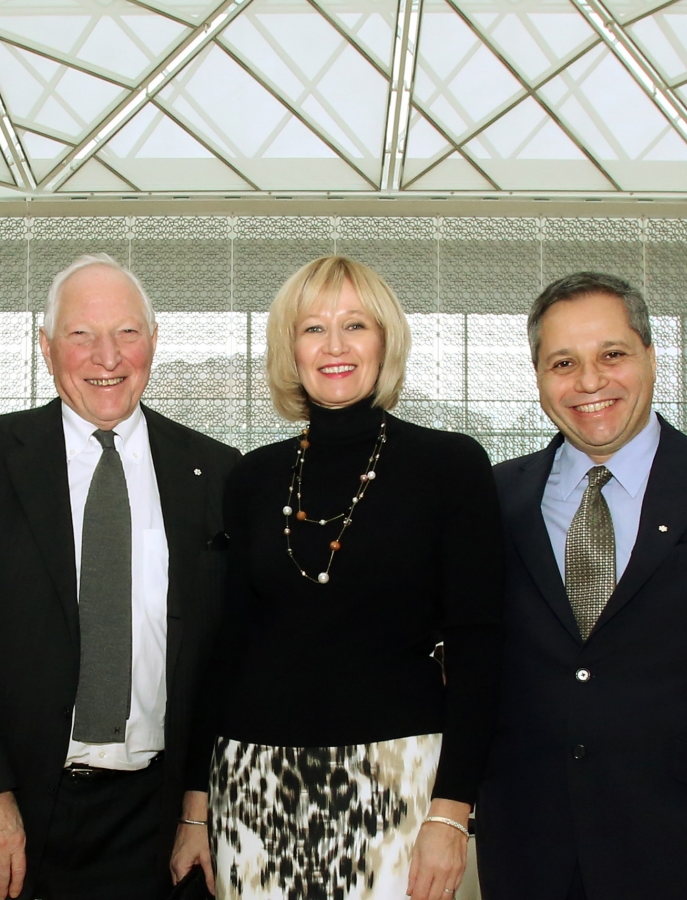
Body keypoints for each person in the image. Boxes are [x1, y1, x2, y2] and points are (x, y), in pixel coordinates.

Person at [0, 254, 240, 900]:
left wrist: (197, 808)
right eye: (81, 335)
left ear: (153, 342)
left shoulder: (215, 473)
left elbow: (224, 663)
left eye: (127, 333)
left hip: (143, 830)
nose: (107, 356)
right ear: (46, 348)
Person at [475, 271, 687, 899]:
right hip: (537, 861)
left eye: (612, 354)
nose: (589, 381)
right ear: (538, 378)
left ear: (651, 357)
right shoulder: (492, 500)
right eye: (562, 362)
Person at [172, 256, 504, 900]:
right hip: (253, 785)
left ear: (386, 340)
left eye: (355, 324)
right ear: (289, 348)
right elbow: (228, 649)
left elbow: (480, 645)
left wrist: (452, 810)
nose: (335, 346)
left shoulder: (451, 465)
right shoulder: (252, 477)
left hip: (399, 783)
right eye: (313, 328)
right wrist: (195, 810)